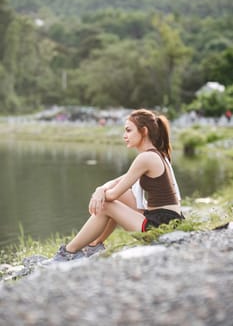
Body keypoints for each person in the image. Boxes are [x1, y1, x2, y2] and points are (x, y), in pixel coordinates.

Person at [49, 108, 184, 263]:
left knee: (106, 204)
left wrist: (100, 196)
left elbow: (113, 195)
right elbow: (119, 182)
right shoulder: (155, 154)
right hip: (167, 220)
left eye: (128, 130)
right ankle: (94, 245)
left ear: (144, 131)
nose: (124, 136)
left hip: (161, 227)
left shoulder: (146, 158)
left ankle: (68, 252)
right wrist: (100, 189)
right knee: (121, 195)